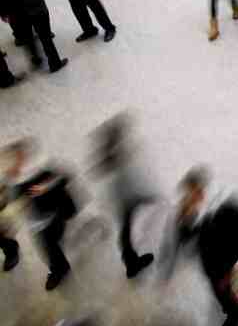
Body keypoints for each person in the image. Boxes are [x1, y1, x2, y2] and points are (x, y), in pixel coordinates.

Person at [160, 167, 238, 326]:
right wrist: (185, 218)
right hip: (210, 264)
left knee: (223, 292)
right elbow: (186, 238)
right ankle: (228, 302)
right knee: (217, 288)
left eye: (194, 192)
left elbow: (235, 246)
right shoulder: (201, 218)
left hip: (221, 268)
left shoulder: (227, 222)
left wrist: (227, 273)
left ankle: (235, 312)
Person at [5, 139, 78, 290]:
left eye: (17, 158)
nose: (12, 164)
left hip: (53, 217)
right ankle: (59, 268)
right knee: (49, 248)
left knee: (52, 247)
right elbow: (14, 202)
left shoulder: (38, 170)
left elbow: (65, 177)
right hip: (37, 223)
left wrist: (45, 187)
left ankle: (60, 270)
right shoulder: (11, 180)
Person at [90, 113, 156, 278]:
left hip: (122, 198)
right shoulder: (115, 159)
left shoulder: (111, 155)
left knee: (126, 229)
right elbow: (125, 182)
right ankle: (132, 264)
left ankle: (131, 262)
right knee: (126, 231)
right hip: (123, 200)